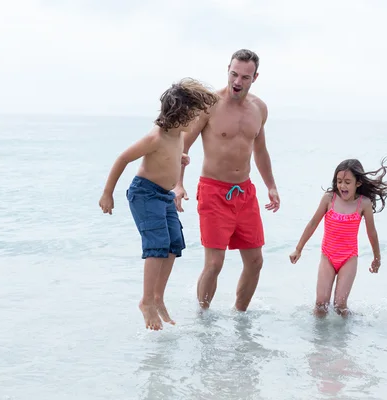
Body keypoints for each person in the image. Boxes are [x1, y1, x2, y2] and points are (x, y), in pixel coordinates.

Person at [98, 78, 218, 330]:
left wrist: (180, 158)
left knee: (174, 244)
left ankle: (158, 298)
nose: (196, 120)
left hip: (164, 195)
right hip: (144, 194)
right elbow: (123, 158)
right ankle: (146, 302)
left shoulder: (179, 135)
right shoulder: (155, 137)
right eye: (193, 114)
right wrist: (108, 193)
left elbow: (171, 154)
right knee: (157, 245)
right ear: (178, 114)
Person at [172, 49, 280, 312]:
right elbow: (183, 145)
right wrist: (178, 183)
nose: (238, 81)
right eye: (234, 74)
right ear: (228, 70)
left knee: (255, 261)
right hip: (213, 190)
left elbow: (260, 150)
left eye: (245, 76)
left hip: (245, 192)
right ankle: (203, 317)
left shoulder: (259, 108)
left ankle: (240, 316)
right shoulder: (210, 105)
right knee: (214, 264)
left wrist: (271, 186)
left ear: (255, 77)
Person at [289, 158, 387, 317]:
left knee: (340, 306)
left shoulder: (364, 203)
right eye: (339, 181)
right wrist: (298, 249)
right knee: (321, 304)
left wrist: (377, 258)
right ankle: (318, 339)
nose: (342, 186)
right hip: (328, 256)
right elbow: (313, 223)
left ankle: (344, 339)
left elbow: (372, 232)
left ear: (358, 183)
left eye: (348, 182)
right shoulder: (329, 199)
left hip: (348, 259)